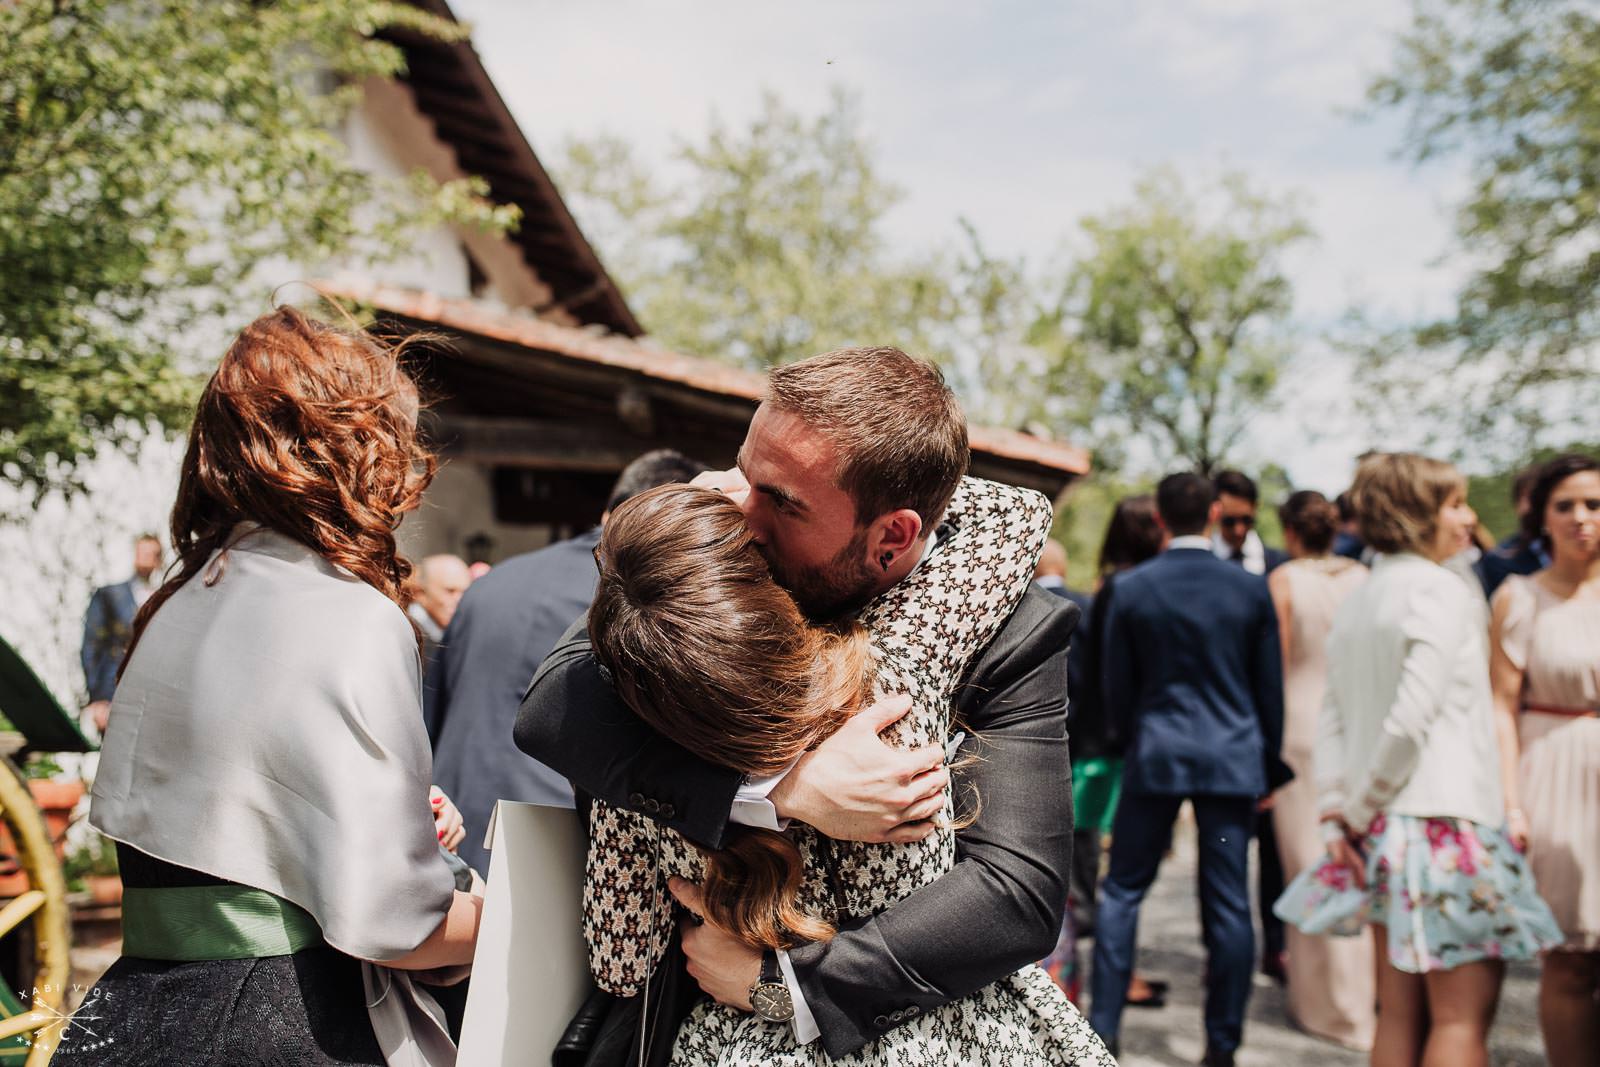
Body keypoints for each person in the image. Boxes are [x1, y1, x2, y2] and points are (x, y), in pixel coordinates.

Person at [516, 346, 1107, 1061]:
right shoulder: (718, 542)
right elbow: (555, 707)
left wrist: (783, 985)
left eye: (783, 502)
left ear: (893, 536)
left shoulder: (1013, 626)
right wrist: (779, 788)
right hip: (675, 1013)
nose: (742, 516)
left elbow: (1017, 892)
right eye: (745, 473)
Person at [82, 307, 482, 1065]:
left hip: (135, 1011)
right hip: (280, 1020)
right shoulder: (355, 617)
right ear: (360, 449)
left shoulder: (176, 600)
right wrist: (514, 916)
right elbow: (398, 924)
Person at [1276, 452, 1560, 1067]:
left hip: (1382, 832)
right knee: (1461, 1019)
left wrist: (1339, 812)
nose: (1467, 518)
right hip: (1444, 821)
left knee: (1398, 1012)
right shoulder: (1444, 589)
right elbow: (1411, 716)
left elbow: (1334, 715)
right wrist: (1355, 807)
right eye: (1454, 504)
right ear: (1414, 514)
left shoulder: (1362, 593)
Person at [1089, 472, 1291, 1067]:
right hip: (1232, 763)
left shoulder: (1130, 589)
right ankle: (1222, 1048)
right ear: (1211, 516)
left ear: (1160, 520)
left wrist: (1128, 740)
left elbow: (1114, 684)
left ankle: (1104, 1035)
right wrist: (1268, 767)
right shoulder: (1251, 589)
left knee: (1123, 891)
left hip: (1156, 755)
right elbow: (1268, 690)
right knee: (1229, 902)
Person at [424, 448, 703, 873]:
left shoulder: (492, 582)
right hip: (551, 847)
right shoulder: (637, 604)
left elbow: (434, 712)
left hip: (451, 827)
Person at [1488, 453, 1600, 1067]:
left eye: (1594, 505)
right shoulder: (1520, 597)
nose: (1582, 519)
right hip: (1554, 775)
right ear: (1544, 518)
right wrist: (1510, 802)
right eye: (1567, 506)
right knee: (1571, 957)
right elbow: (1500, 706)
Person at [1264, 490, 1374, 1049]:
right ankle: (1366, 997)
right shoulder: (1363, 578)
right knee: (1355, 857)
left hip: (1301, 727)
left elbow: (1274, 665)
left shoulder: (1284, 581)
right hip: (1356, 724)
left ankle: (1328, 1005)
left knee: (1310, 860)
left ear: (1290, 532)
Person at [80, 532, 163, 732]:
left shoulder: (165, 597)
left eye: (150, 553)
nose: (144, 557)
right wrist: (98, 697)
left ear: (158, 559)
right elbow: (92, 645)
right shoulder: (110, 595)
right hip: (113, 689)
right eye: (141, 552)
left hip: (151, 695)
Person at [1479, 462, 1552, 598]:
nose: (1530, 506)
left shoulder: (1582, 553)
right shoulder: (1500, 559)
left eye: (1538, 498)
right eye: (1525, 498)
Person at [1211, 469, 1289, 576]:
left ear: (1255, 510)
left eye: (1247, 520)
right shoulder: (1201, 562)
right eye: (1229, 521)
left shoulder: (1279, 564)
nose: (1239, 530)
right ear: (1214, 513)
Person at [407, 553, 470, 664]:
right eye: (450, 591)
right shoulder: (409, 636)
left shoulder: (450, 636)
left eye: (465, 592)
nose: (460, 599)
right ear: (421, 592)